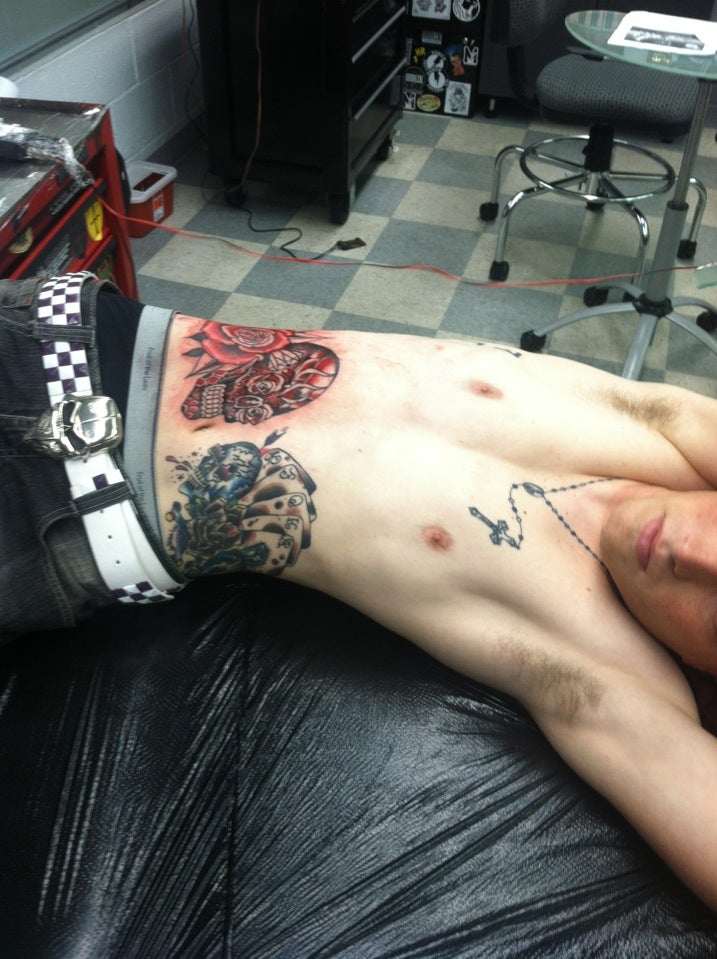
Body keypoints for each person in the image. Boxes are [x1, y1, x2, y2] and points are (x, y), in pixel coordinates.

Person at [3, 271, 717, 911]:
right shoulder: (666, 426)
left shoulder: (602, 665)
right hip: (57, 326)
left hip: (52, 512)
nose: (692, 555)